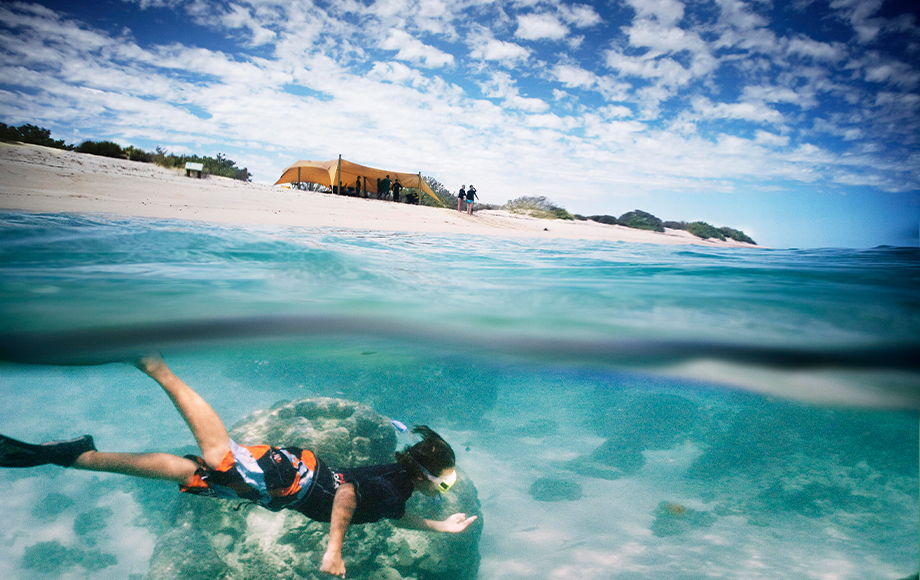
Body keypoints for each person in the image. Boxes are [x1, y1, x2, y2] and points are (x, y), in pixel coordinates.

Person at [0, 355, 477, 578]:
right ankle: (156, 367)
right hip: (288, 479)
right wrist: (334, 550)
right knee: (219, 455)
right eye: (447, 481)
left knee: (190, 473)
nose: (447, 487)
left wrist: (440, 526)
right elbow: (349, 496)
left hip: (283, 483)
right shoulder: (396, 488)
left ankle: (73, 455)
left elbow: (392, 512)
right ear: (426, 474)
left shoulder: (399, 487)